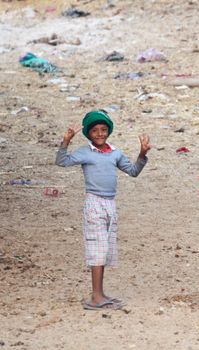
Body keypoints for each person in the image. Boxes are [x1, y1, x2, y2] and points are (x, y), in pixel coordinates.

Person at [55, 110, 151, 310]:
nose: (99, 134)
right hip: (94, 204)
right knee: (97, 249)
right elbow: (61, 161)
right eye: (95, 130)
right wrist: (66, 141)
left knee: (104, 249)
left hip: (110, 204)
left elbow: (133, 172)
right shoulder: (85, 152)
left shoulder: (115, 152)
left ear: (109, 131)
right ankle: (95, 297)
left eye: (103, 130)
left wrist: (142, 154)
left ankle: (100, 293)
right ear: (88, 133)